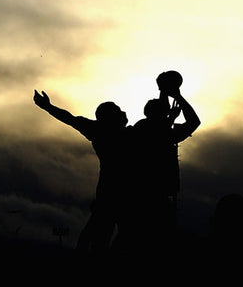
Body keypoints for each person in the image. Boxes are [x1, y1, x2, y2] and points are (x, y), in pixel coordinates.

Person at [33, 90, 130, 254]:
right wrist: (48, 107)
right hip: (122, 193)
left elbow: (71, 119)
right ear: (110, 118)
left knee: (99, 233)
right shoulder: (121, 134)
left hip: (112, 191)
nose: (124, 112)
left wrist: (48, 107)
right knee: (106, 234)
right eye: (119, 111)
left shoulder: (100, 130)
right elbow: (70, 119)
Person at [119, 71, 200, 255]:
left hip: (136, 196)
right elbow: (193, 121)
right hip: (155, 197)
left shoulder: (139, 129)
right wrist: (177, 96)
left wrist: (164, 92)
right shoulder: (164, 134)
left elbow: (159, 119)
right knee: (156, 244)